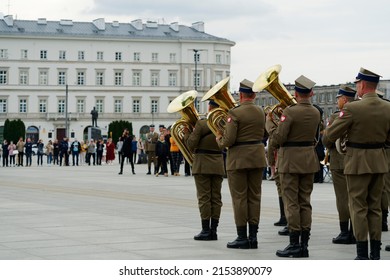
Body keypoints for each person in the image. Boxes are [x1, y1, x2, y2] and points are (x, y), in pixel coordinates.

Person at [323, 68, 390, 260]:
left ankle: (362, 252)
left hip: (357, 162)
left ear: (361, 85)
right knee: (375, 207)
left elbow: (330, 136)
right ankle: (375, 252)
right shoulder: (388, 107)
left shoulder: (352, 109)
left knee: (358, 207)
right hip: (379, 161)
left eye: (357, 84)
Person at [266, 75, 321, 258]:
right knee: (305, 202)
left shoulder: (289, 112)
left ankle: (294, 243)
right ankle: (304, 244)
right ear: (311, 93)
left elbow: (279, 137)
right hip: (308, 160)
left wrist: (270, 126)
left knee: (292, 203)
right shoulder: (315, 112)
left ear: (296, 93)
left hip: (290, 160)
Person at [215, 79, 267, 249]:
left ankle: (242, 237)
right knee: (254, 197)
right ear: (254, 94)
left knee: (239, 198)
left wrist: (219, 138)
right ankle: (253, 237)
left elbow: (228, 140)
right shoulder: (260, 111)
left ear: (241, 94)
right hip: (257, 157)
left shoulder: (234, 112)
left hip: (238, 159)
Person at [184, 100, 225, 240]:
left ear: (209, 107)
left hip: (202, 165)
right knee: (216, 198)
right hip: (218, 164)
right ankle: (214, 230)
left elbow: (190, 144)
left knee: (204, 198)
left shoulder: (201, 124)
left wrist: (186, 133)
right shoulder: (224, 125)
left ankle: (206, 230)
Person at [322, 85, 357, 245]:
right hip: (356, 160)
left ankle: (345, 232)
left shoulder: (337, 116)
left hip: (340, 162)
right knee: (356, 198)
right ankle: (356, 231)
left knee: (343, 198)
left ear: (344, 99)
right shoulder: (360, 112)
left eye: (338, 99)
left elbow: (328, 139)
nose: (337, 102)